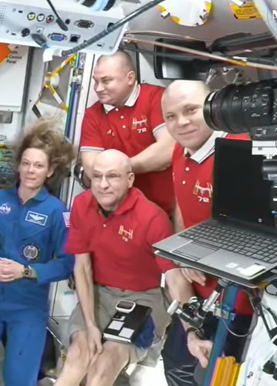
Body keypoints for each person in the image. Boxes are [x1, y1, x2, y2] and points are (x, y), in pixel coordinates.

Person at [0, 119, 76, 386]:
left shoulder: (57, 212)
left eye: (39, 165)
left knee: (19, 380)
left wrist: (27, 271)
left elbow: (66, 263)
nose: (31, 170)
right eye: (26, 163)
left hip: (27, 307)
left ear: (50, 171)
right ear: (19, 165)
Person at [54, 149, 180, 386]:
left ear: (129, 179)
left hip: (144, 299)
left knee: (106, 362)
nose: (103, 184)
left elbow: (174, 278)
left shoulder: (152, 218)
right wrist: (90, 325)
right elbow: (82, 268)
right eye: (97, 176)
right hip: (100, 292)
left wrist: (191, 329)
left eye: (112, 176)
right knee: (79, 354)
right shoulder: (82, 204)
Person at [159, 80, 252, 386]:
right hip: (196, 296)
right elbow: (182, 207)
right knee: (177, 367)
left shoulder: (240, 152)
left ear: (213, 107)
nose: (181, 122)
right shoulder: (180, 150)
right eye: (171, 116)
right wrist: (185, 250)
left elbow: (255, 234)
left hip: (237, 304)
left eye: (191, 110)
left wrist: (197, 252)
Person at [79, 51, 175, 217]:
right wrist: (121, 172)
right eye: (96, 81)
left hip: (167, 210)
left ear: (130, 78)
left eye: (106, 80)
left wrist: (118, 170)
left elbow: (167, 151)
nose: (98, 88)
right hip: (119, 214)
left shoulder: (156, 98)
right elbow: (91, 167)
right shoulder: (92, 115)